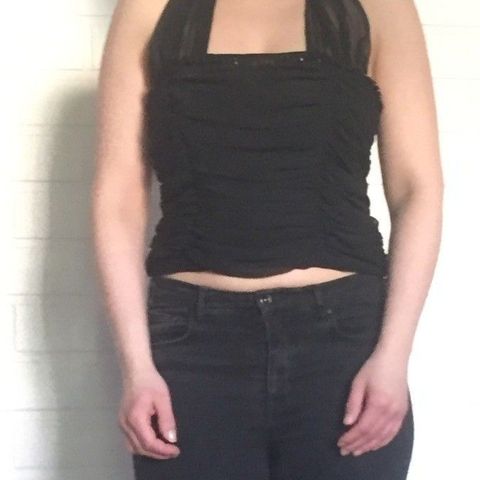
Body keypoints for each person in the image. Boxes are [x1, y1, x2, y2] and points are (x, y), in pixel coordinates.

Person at [91, 0, 443, 478]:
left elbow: (417, 190)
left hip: (344, 351)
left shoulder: (381, 8)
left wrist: (393, 356)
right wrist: (136, 367)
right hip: (191, 350)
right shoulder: (147, 9)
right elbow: (118, 200)